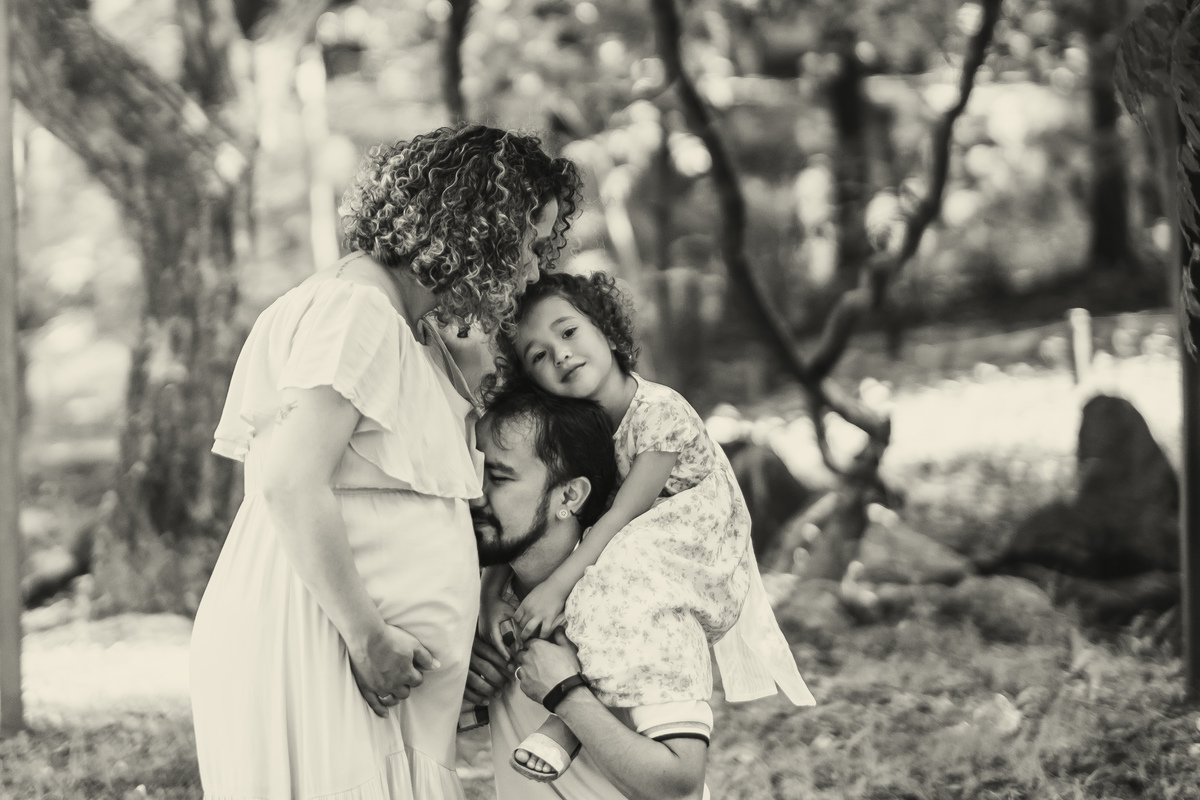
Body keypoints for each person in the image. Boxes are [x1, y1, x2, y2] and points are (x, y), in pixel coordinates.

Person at [190, 125, 581, 800]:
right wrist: (368, 637)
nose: (533, 267)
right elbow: (288, 482)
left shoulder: (407, 324)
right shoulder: (356, 309)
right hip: (321, 643)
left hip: (363, 669)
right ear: (479, 225)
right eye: (528, 240)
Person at [480, 271, 815, 782]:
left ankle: (568, 718)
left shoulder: (659, 412)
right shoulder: (581, 428)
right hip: (634, 533)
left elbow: (621, 515)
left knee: (597, 578)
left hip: (691, 533)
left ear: (607, 332)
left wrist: (552, 588)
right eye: (538, 355)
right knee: (591, 586)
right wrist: (491, 594)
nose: (560, 355)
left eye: (568, 333)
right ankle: (571, 712)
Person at [467, 386, 714, 800]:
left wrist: (567, 695)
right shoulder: (484, 594)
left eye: (498, 477)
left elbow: (681, 785)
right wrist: (466, 676)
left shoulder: (638, 593)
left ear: (570, 495)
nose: (475, 495)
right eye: (474, 472)